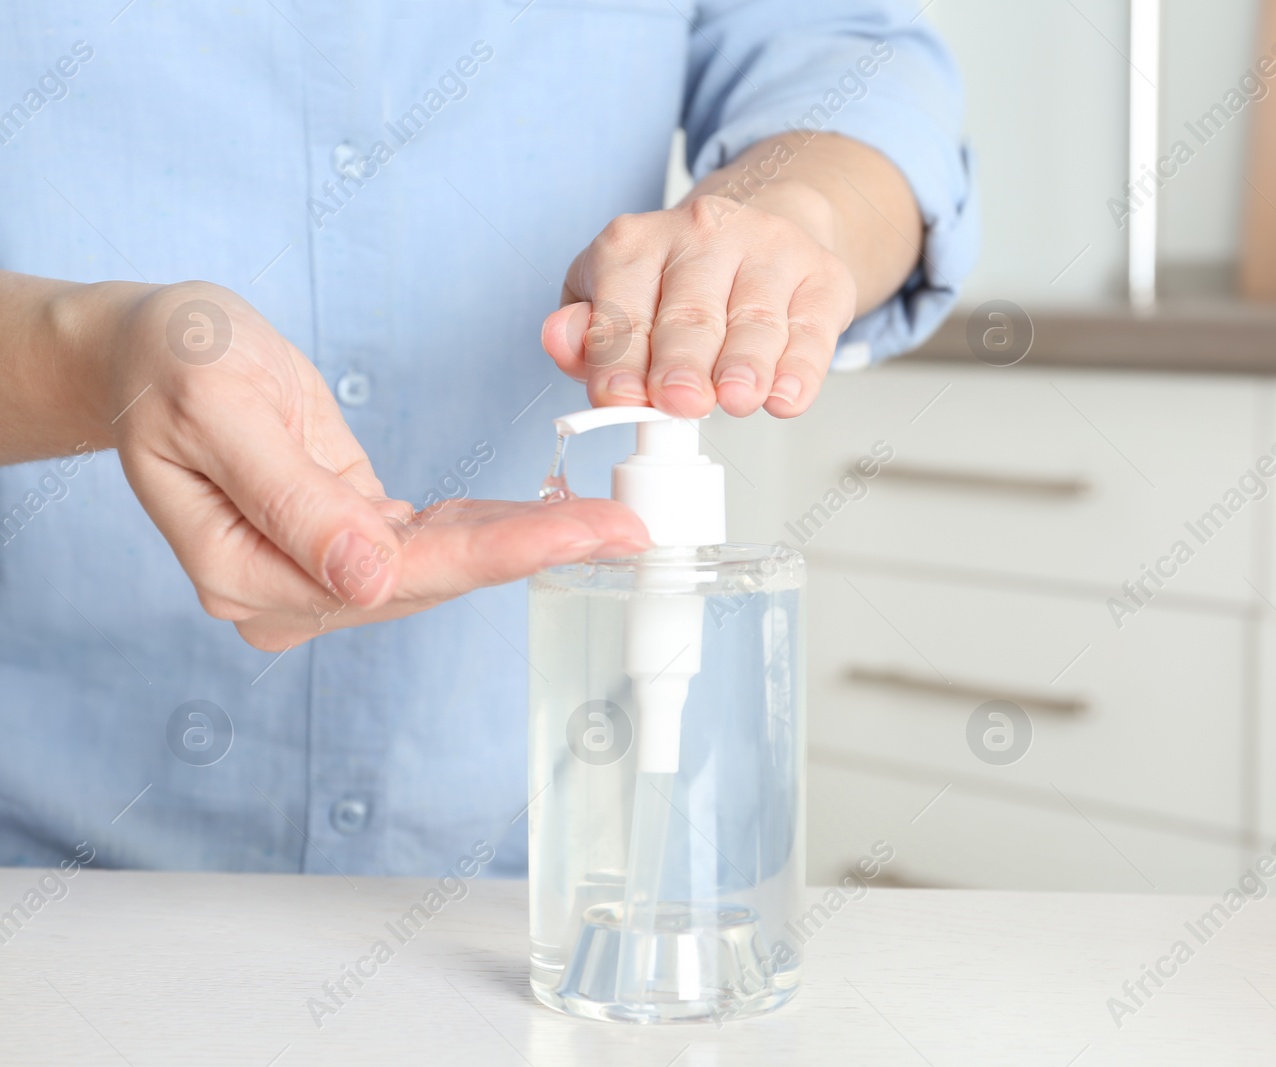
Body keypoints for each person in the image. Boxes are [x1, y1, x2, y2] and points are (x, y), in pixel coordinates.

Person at [0, 2, 975, 876]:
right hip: (45, 882)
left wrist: (788, 213)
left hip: (547, 880)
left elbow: (848, 50)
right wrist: (89, 358)